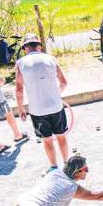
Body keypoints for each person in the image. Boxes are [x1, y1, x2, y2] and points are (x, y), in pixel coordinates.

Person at [15, 35, 69, 171]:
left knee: (47, 140)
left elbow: (19, 90)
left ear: (25, 48)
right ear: (39, 46)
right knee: (61, 137)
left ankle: (54, 168)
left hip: (37, 110)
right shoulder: (50, 59)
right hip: (56, 106)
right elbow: (64, 83)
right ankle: (67, 165)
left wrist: (21, 108)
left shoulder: (21, 63)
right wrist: (55, 95)